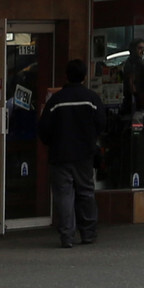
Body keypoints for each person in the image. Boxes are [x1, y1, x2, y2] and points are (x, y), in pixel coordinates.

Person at [38, 59, 102, 249]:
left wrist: (52, 143)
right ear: (84, 77)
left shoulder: (56, 101)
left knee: (64, 195)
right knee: (86, 192)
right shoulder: (92, 99)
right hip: (84, 155)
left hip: (60, 155)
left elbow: (44, 128)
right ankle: (88, 233)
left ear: (66, 76)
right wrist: (90, 140)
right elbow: (101, 123)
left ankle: (67, 236)